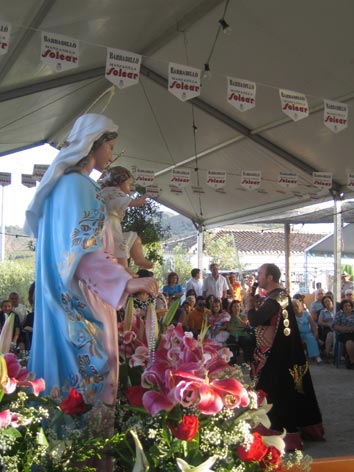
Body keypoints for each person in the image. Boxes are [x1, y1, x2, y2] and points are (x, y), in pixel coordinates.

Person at [24, 114, 158, 470]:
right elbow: (83, 254)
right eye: (110, 146)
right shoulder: (81, 187)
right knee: (98, 376)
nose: (112, 154)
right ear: (93, 145)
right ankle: (93, 461)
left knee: (61, 395)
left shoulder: (58, 188)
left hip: (61, 303)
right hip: (85, 299)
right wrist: (126, 282)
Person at [246, 263, 324, 451]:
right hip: (274, 353)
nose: (258, 277)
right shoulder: (275, 297)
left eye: (260, 274)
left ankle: (279, 435)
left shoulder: (278, 297)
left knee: (272, 394)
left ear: (270, 277)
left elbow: (255, 320)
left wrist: (249, 306)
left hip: (276, 357)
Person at [100, 165, 153, 275]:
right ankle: (125, 267)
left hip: (108, 225)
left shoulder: (105, 192)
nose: (129, 188)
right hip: (110, 226)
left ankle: (138, 259)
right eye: (129, 184)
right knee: (119, 245)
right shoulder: (113, 192)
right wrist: (138, 202)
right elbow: (125, 201)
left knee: (132, 238)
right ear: (120, 182)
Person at [292, 298, 322, 364]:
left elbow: (313, 326)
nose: (295, 308)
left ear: (300, 306)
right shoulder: (291, 316)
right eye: (293, 306)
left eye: (296, 306)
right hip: (297, 334)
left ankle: (316, 356)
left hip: (308, 333)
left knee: (311, 338)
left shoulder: (306, 314)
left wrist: (315, 334)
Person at [333, 299, 354, 369]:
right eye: (345, 306)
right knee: (349, 343)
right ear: (342, 307)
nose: (347, 307)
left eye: (349, 306)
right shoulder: (339, 314)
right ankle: (352, 361)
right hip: (343, 334)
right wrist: (346, 329)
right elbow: (335, 326)